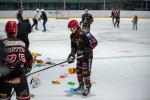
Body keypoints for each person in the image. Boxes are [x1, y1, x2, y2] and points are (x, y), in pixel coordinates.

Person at [0, 21, 33, 100]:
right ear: (17, 30)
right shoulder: (22, 43)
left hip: (5, 77)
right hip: (20, 77)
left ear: (6, 30)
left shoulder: (1, 43)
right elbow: (29, 60)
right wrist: (28, 67)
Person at [67, 20, 98, 96]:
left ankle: (87, 87)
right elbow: (74, 47)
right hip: (79, 56)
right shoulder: (72, 36)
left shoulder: (84, 32)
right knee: (78, 71)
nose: (71, 30)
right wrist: (72, 55)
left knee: (85, 72)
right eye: (70, 29)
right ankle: (81, 86)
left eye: (72, 28)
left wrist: (87, 51)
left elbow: (94, 42)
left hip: (87, 56)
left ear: (76, 26)